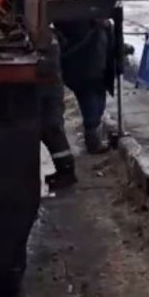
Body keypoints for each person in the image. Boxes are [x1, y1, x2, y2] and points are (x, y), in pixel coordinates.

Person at [53, 17, 113, 155]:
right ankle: (92, 140)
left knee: (96, 102)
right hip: (86, 67)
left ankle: (93, 137)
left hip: (94, 67)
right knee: (91, 101)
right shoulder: (83, 23)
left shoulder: (99, 25)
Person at [41, 33, 77, 190]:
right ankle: (65, 171)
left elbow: (48, 67)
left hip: (49, 92)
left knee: (52, 129)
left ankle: (67, 172)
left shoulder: (49, 39)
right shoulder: (50, 38)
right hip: (49, 91)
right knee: (50, 129)